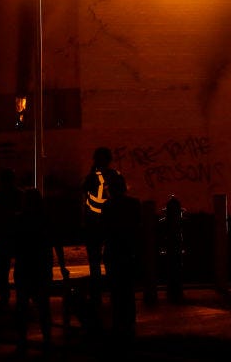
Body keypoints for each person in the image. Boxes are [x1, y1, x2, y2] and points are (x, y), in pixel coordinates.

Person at [13, 187, 69, 352]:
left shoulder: (20, 219)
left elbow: (13, 244)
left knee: (22, 306)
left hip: (24, 267)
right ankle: (46, 339)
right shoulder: (45, 219)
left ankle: (22, 340)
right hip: (41, 266)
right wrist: (62, 265)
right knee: (43, 305)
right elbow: (57, 242)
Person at [81, 145, 123, 330]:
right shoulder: (114, 176)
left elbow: (86, 198)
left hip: (95, 222)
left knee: (95, 260)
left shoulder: (92, 177)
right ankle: (111, 290)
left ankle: (97, 292)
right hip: (109, 222)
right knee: (110, 258)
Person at [101, 173, 143, 345]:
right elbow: (138, 228)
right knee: (128, 289)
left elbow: (104, 229)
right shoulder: (134, 204)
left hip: (113, 251)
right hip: (128, 250)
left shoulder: (107, 206)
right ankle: (129, 322)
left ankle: (118, 322)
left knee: (116, 289)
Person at [0, 167, 23, 310]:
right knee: (19, 269)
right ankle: (20, 296)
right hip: (16, 236)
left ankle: (5, 297)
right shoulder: (19, 195)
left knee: (3, 269)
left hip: (5, 236)